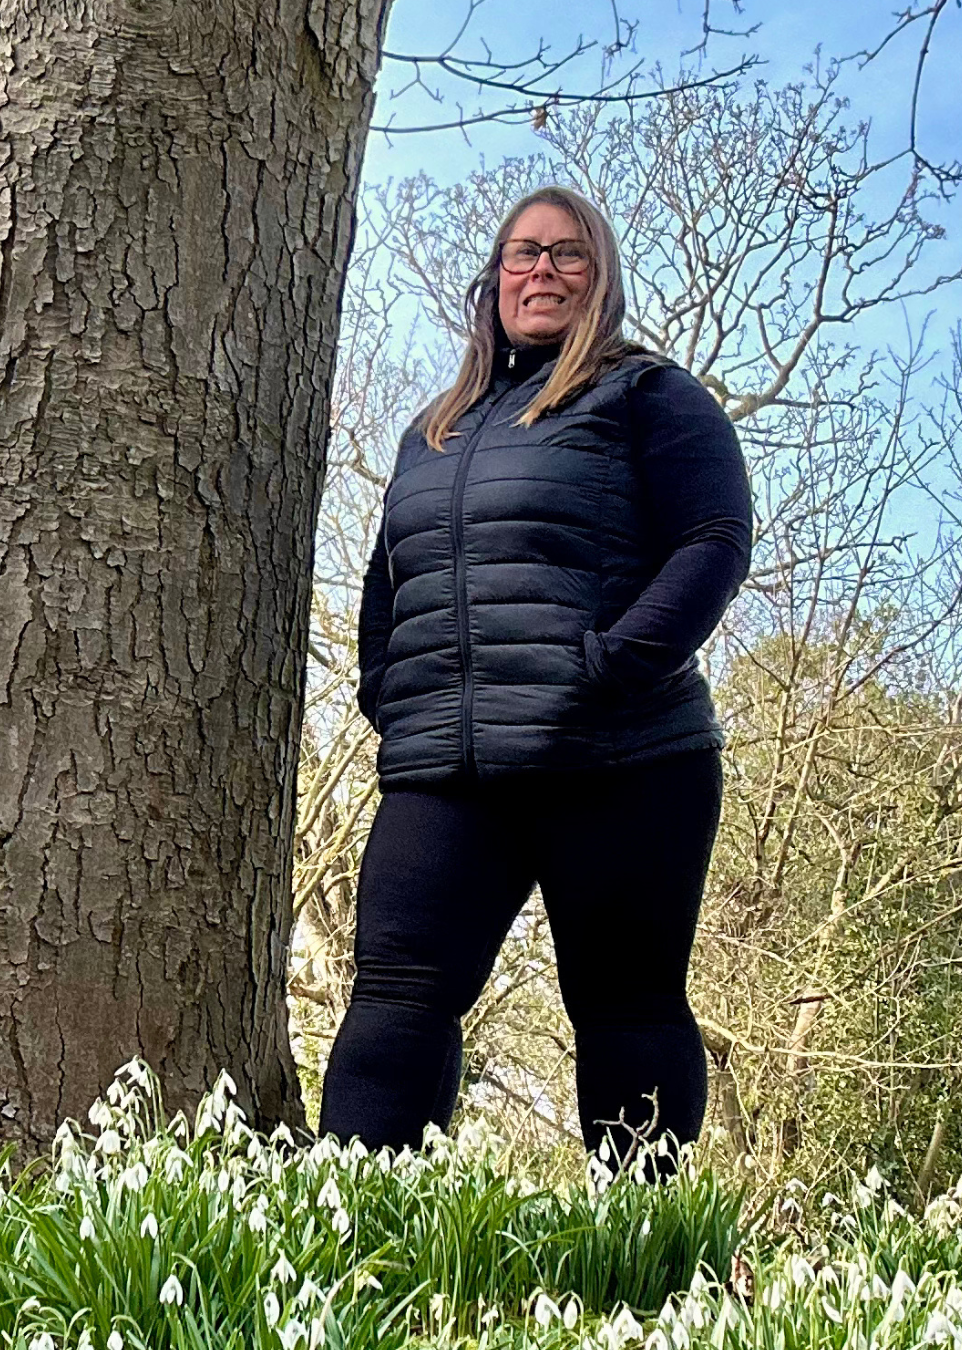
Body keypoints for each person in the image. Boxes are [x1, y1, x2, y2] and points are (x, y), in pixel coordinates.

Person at [319, 186, 753, 1170]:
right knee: (393, 1006)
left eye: (568, 256)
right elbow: (390, 579)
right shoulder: (433, 430)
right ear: (493, 281)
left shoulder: (648, 395)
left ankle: (637, 1265)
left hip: (622, 753)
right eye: (523, 254)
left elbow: (714, 541)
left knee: (625, 1008)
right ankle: (351, 1248)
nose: (542, 272)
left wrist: (609, 670)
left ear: (600, 280)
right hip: (446, 764)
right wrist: (388, 693)